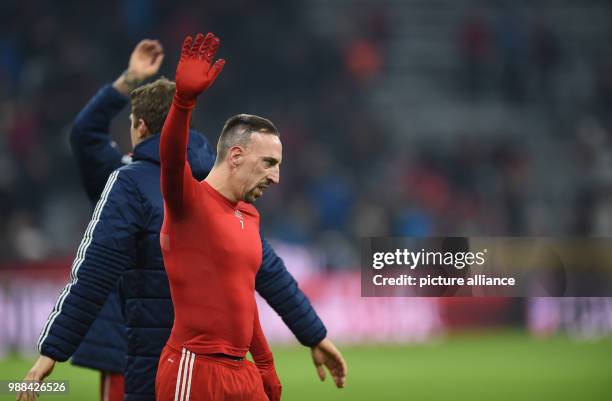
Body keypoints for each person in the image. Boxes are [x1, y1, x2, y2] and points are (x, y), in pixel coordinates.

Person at [18, 39, 346, 401]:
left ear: (140, 128)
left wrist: (53, 350)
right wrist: (313, 333)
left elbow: (95, 269)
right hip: (202, 364)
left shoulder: (131, 183)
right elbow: (270, 274)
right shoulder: (222, 194)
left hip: (151, 360)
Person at [155, 31, 293, 401]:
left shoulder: (250, 216)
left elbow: (243, 297)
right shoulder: (189, 202)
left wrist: (264, 364)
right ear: (235, 156)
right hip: (193, 368)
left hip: (242, 372)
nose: (276, 176)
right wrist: (183, 102)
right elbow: (171, 158)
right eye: (268, 163)